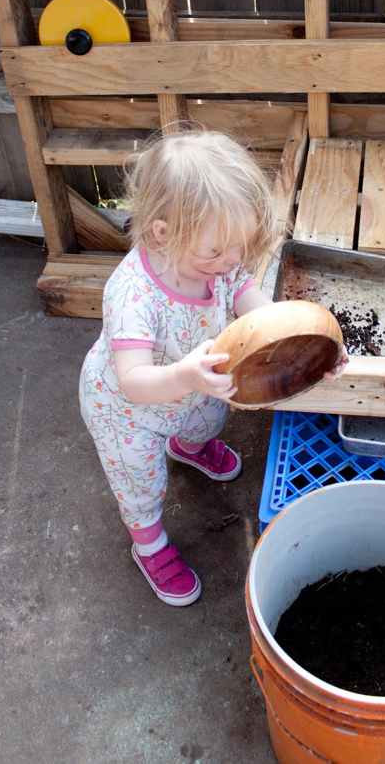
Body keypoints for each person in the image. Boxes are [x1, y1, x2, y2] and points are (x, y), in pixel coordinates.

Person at [79, 130, 278, 607]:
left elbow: (249, 297)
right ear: (162, 232)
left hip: (189, 385)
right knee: (141, 481)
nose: (231, 261)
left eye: (239, 247)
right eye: (216, 252)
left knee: (209, 417)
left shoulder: (219, 262)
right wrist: (186, 377)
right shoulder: (133, 295)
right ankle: (147, 545)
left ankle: (190, 447)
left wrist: (287, 334)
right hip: (128, 412)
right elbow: (134, 380)